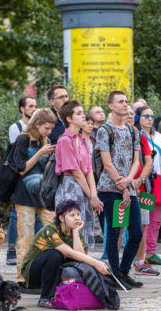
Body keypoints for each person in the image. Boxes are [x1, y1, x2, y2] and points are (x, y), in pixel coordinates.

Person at [22, 200, 111, 308]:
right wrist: (96, 263)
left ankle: (63, 293)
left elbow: (79, 257)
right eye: (72, 215)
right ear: (61, 218)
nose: (77, 218)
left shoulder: (75, 231)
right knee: (54, 254)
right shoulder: (50, 231)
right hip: (33, 273)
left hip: (53, 271)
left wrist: (75, 232)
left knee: (73, 260)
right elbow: (69, 252)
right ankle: (45, 298)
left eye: (78, 214)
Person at [95, 91, 143, 290]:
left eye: (126, 101)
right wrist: (121, 185)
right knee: (114, 231)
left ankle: (124, 270)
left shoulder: (133, 131)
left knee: (136, 232)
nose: (125, 104)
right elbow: (106, 163)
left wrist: (129, 180)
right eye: (120, 102)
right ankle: (113, 274)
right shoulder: (104, 130)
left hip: (128, 187)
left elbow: (136, 160)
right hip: (110, 188)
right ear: (111, 106)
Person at [10, 108, 57, 291]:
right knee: (26, 238)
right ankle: (22, 278)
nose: (49, 132)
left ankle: (41, 274)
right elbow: (21, 168)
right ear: (37, 124)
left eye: (52, 128)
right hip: (24, 194)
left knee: (52, 231)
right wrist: (41, 152)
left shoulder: (45, 141)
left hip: (42, 195)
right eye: (46, 128)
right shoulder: (23, 139)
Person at [55, 100, 103, 250]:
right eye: (79, 113)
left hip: (84, 190)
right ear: (69, 118)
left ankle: (84, 270)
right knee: (70, 232)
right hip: (70, 188)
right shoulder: (64, 140)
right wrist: (92, 196)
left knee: (84, 231)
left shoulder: (82, 140)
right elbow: (75, 172)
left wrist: (93, 196)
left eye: (83, 112)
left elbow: (89, 171)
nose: (84, 116)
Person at [6, 96, 40, 266]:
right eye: (30, 106)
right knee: (15, 213)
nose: (33, 109)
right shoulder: (16, 128)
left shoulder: (41, 130)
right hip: (20, 177)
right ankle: (12, 248)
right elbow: (17, 154)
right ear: (22, 109)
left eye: (35, 106)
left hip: (36, 180)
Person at [125, 107, 157, 276]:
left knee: (143, 226)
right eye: (127, 113)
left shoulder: (141, 135)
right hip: (120, 188)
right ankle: (115, 265)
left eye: (131, 113)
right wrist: (127, 184)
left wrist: (140, 181)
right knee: (119, 226)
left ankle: (140, 262)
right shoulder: (111, 133)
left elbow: (149, 162)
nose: (129, 116)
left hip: (143, 188)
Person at [135, 106, 161, 266]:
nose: (149, 119)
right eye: (145, 116)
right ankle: (140, 254)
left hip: (159, 180)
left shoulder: (159, 136)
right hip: (144, 182)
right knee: (143, 219)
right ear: (138, 118)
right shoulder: (136, 134)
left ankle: (151, 252)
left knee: (156, 219)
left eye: (152, 116)